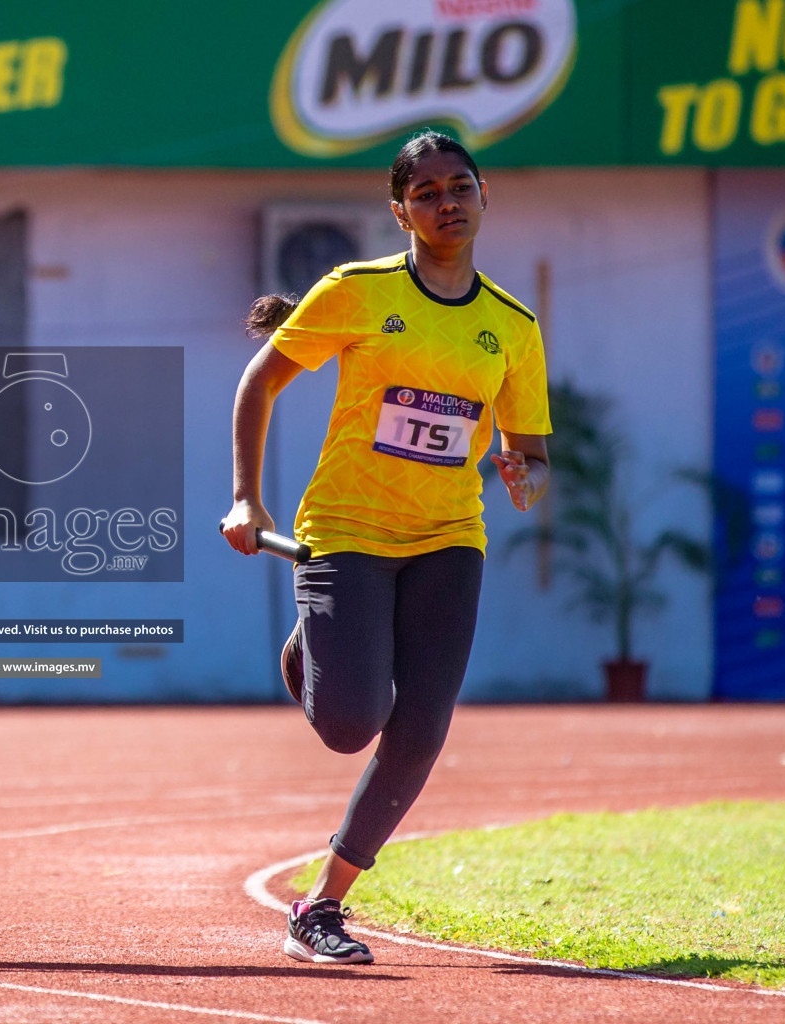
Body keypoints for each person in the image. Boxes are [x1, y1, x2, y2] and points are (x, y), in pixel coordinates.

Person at [221, 131, 551, 965]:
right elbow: (259, 379)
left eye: (461, 186)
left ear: (484, 196)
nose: (448, 202)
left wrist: (523, 474)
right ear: (400, 209)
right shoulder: (356, 291)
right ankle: (314, 648)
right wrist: (245, 498)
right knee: (349, 723)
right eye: (429, 192)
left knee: (421, 729)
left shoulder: (512, 325)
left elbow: (535, 458)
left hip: (449, 538)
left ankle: (322, 905)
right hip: (348, 531)